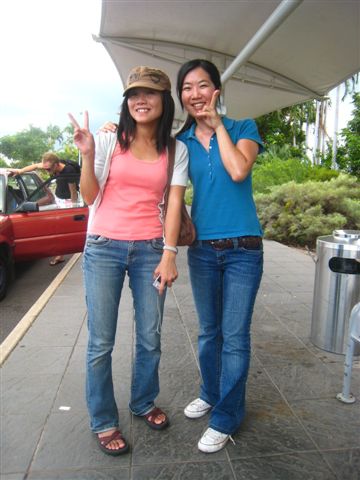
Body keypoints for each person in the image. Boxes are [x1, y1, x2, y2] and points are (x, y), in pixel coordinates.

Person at [68, 66, 188, 456]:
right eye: (134, 94)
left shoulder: (176, 150)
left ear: (164, 102)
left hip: (150, 250)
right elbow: (89, 196)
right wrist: (87, 155)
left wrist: (169, 254)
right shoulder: (107, 141)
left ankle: (142, 401)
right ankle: (103, 419)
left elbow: (174, 205)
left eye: (150, 94)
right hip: (103, 248)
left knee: (150, 336)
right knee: (101, 342)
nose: (141, 100)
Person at [176, 59, 264, 453]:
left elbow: (238, 170)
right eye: (188, 87)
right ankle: (211, 393)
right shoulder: (181, 141)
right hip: (203, 249)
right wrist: (113, 131)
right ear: (181, 95)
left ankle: (226, 418)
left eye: (203, 85)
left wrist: (217, 125)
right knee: (209, 332)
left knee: (234, 337)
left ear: (217, 90)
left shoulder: (244, 127)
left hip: (244, 249)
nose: (195, 94)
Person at [7, 152, 80, 265]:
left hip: (68, 200)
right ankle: (60, 254)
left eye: (48, 169)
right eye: (45, 168)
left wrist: (74, 209)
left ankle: (66, 250)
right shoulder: (50, 165)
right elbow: (35, 166)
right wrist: (20, 171)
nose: (47, 171)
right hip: (59, 198)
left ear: (56, 164)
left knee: (63, 228)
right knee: (57, 227)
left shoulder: (69, 171)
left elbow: (73, 192)